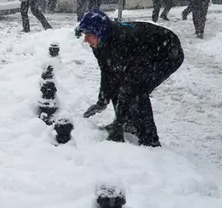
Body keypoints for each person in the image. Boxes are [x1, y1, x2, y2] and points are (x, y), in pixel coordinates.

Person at [78, 10, 183, 147]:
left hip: (166, 53)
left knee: (137, 92)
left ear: (100, 33)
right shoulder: (99, 45)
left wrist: (118, 121)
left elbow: (129, 84)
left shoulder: (123, 42)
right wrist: (102, 101)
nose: (86, 40)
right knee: (118, 81)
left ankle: (150, 141)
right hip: (145, 52)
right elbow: (107, 72)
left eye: (89, 35)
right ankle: (129, 124)